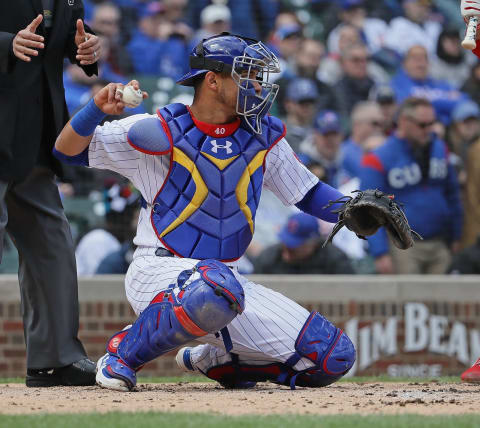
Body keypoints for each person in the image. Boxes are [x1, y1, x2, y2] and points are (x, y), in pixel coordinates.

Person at [53, 33, 356, 392]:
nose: (257, 85)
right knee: (216, 285)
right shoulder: (159, 130)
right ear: (212, 80)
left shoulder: (262, 136)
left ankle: (223, 363)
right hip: (159, 269)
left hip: (228, 285)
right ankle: (122, 355)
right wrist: (95, 109)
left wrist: (350, 209)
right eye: (247, 75)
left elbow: (308, 192)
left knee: (333, 357)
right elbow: (67, 151)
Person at [0, 1, 100, 386]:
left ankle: (55, 359)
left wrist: (87, 50)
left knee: (51, 243)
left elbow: (73, 40)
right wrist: (7, 44)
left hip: (36, 137)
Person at [360, 97, 463, 274]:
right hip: (403, 246)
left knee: (441, 301)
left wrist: (456, 236)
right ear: (403, 122)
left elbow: (452, 195)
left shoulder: (440, 148)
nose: (429, 130)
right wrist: (380, 253)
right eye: (422, 125)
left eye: (432, 123)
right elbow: (369, 209)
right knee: (411, 301)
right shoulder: (378, 158)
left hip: (439, 243)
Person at [253, 212, 355, 275]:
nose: (286, 255)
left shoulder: (334, 259)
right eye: (286, 244)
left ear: (313, 244)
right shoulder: (269, 257)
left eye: (293, 248)